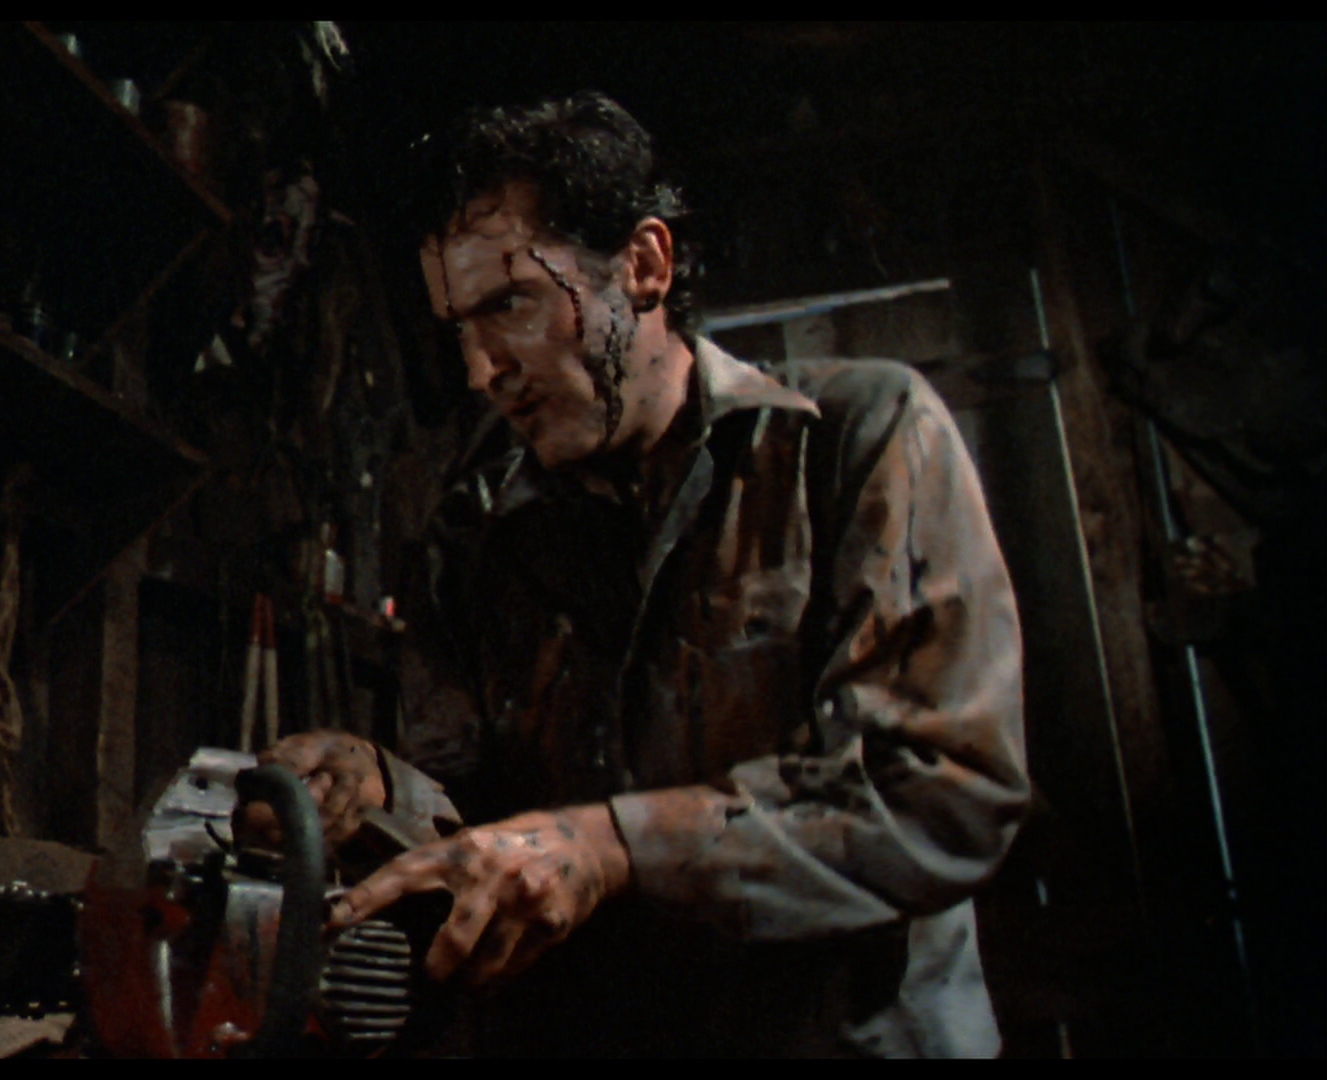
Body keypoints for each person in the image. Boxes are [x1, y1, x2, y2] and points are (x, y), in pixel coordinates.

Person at [250, 92, 1030, 1057]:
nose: (482, 372)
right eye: (458, 327)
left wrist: (614, 847)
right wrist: (382, 792)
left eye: (510, 304)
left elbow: (941, 796)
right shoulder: (472, 538)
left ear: (645, 266)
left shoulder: (855, 443)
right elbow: (476, 815)